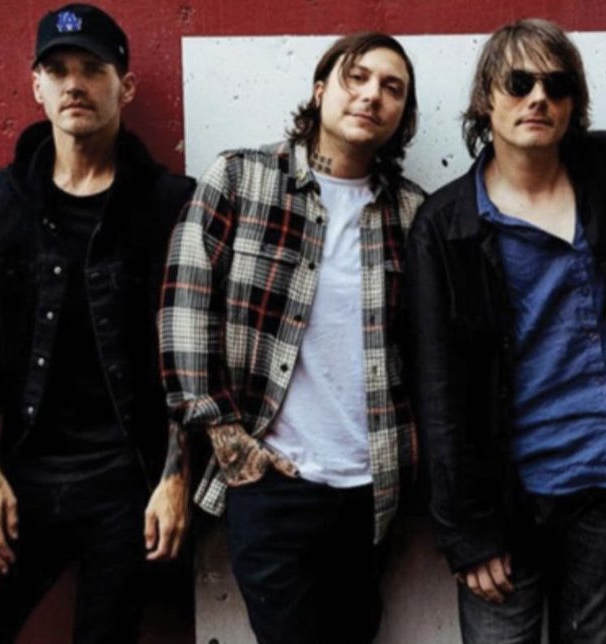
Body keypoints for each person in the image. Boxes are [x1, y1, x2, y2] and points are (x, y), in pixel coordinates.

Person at [406, 18, 606, 644]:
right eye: (518, 83)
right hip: (502, 498)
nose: (538, 98)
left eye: (556, 85)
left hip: (601, 477)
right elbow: (438, 390)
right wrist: (465, 533)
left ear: (573, 102)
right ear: (486, 100)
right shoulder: (445, 224)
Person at [159, 32, 424, 644]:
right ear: (320, 90)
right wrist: (226, 435)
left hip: (372, 490)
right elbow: (185, 306)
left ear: (402, 115)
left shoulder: (411, 214)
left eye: (392, 88)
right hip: (272, 481)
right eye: (357, 77)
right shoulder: (241, 178)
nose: (372, 95)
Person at [0, 4, 195, 643]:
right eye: (57, 70)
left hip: (125, 481)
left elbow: (191, 349)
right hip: (22, 472)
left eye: (92, 68)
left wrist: (175, 479)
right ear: (37, 86)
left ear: (125, 86)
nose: (74, 84)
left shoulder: (171, 203)